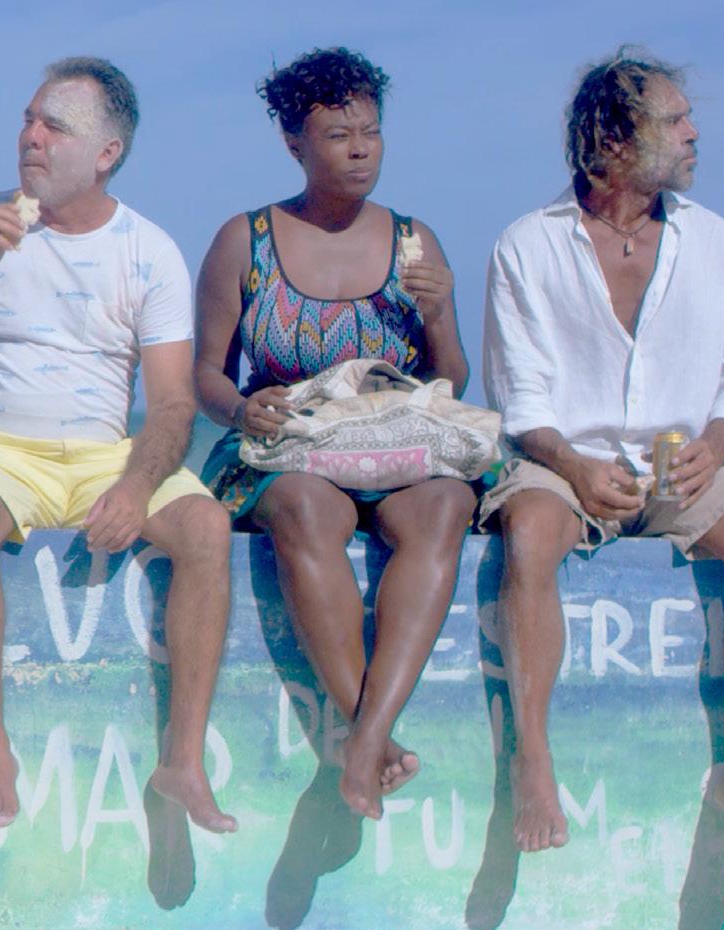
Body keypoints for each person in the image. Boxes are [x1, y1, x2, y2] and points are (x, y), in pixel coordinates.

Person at [0, 56, 237, 835]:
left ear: (106, 153)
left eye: (55, 127)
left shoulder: (148, 249)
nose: (31, 137)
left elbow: (173, 403)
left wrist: (136, 488)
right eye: (27, 120)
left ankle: (182, 760)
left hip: (103, 456)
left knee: (207, 525)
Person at [479, 47, 724, 867]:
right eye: (674, 120)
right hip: (564, 462)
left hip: (684, 464)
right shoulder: (526, 244)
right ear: (615, 138)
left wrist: (713, 449)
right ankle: (532, 760)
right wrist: (574, 468)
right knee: (529, 533)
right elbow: (520, 397)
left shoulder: (719, 244)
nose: (694, 134)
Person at [190, 47, 474, 820]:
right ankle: (369, 736)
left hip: (393, 443)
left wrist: (436, 311)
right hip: (289, 446)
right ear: (293, 143)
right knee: (306, 509)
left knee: (446, 505)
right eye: (338, 136)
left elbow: (450, 380)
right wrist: (240, 410)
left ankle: (364, 739)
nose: (359, 151)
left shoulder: (415, 241)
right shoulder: (245, 240)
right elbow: (206, 375)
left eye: (370, 133)